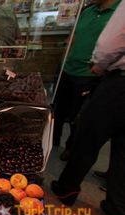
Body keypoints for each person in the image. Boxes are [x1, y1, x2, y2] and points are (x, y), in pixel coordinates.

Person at [51, 0, 125, 215]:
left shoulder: (121, 9)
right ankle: (118, 209)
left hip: (114, 81)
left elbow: (108, 45)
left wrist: (99, 65)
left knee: (88, 136)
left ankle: (67, 189)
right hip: (76, 71)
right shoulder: (87, 11)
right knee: (123, 147)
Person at [52, 0, 120, 161]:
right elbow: (73, 36)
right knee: (58, 109)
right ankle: (53, 141)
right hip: (68, 69)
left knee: (78, 116)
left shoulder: (117, 13)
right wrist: (63, 60)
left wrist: (101, 67)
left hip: (89, 74)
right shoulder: (87, 11)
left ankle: (71, 148)